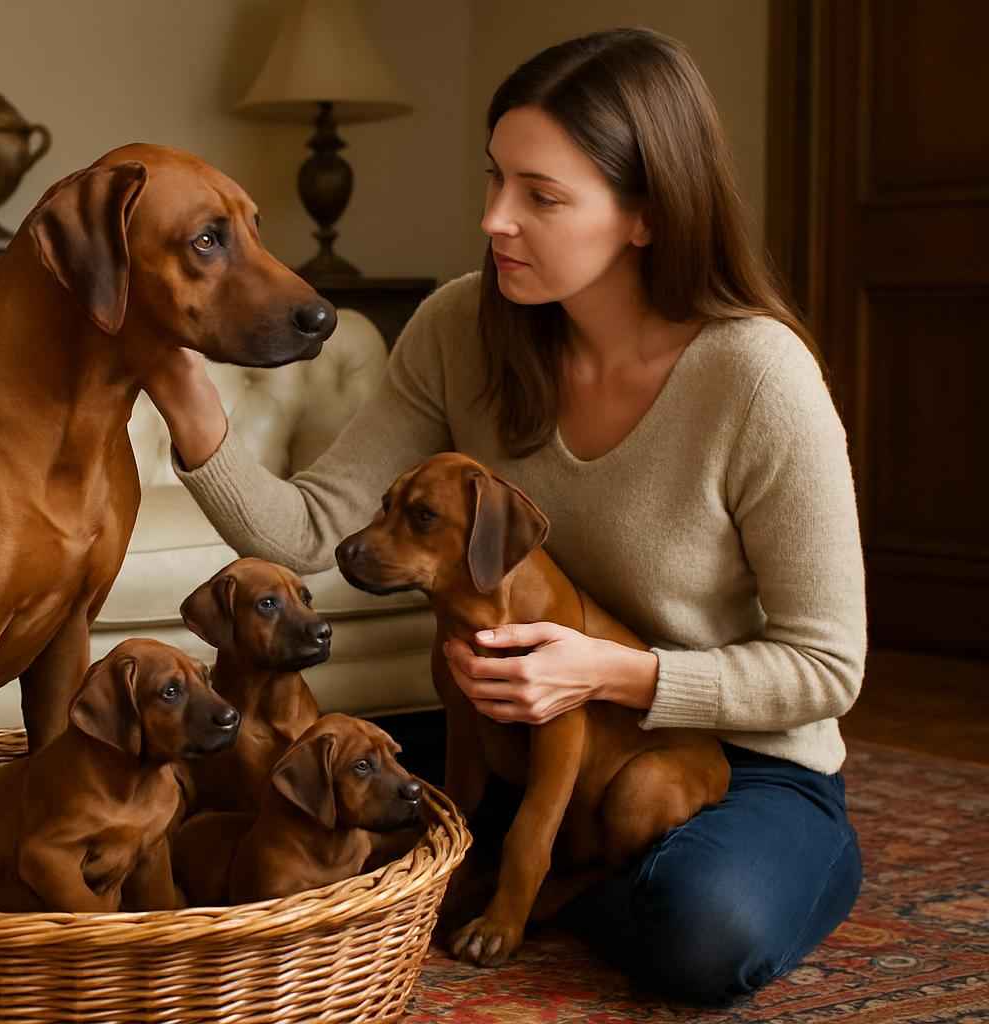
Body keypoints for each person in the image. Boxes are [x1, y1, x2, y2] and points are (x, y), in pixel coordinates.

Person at [138, 27, 865, 1005]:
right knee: (309, 807)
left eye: (542, 196)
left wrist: (615, 670)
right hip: (527, 741)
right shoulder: (457, 326)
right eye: (494, 180)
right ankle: (519, 871)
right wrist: (188, 405)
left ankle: (611, 875)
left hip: (742, 757)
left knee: (704, 931)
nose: (494, 219)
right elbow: (313, 531)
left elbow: (828, 665)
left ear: (645, 216)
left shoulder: (756, 375)